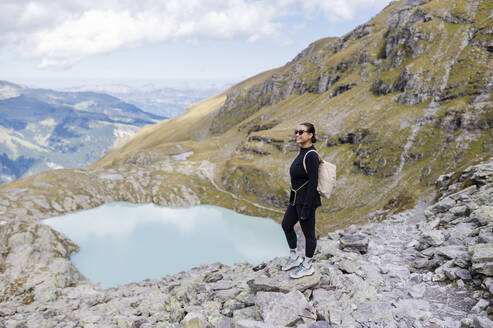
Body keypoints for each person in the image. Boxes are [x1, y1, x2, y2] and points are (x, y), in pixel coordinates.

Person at [281, 122, 321, 279]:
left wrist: (306, 207)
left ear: (310, 135)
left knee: (308, 234)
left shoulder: (311, 155)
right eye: (296, 132)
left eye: (301, 132)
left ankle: (308, 265)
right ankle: (294, 257)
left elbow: (313, 183)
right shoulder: (302, 151)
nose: (297, 134)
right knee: (286, 225)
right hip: (295, 199)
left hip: (306, 202)